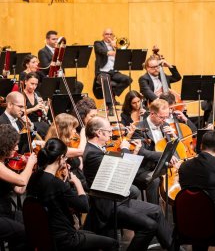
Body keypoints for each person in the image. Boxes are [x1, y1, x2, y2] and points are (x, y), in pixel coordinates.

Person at [82, 116, 173, 250]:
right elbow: (121, 171)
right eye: (109, 131)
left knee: (157, 210)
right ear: (99, 133)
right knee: (149, 225)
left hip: (119, 200)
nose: (111, 133)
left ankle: (173, 247)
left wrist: (135, 152)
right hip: (109, 206)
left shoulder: (97, 149)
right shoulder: (92, 154)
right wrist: (124, 149)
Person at [26, 138, 118, 250]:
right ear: (60, 158)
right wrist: (78, 183)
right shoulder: (56, 183)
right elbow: (84, 207)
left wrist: (63, 181)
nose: (65, 161)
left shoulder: (35, 177)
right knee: (112, 243)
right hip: (65, 237)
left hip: (45, 235)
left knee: (92, 234)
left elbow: (53, 196)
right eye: (65, 158)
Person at [134, 99, 180, 204]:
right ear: (152, 114)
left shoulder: (165, 124)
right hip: (145, 168)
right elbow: (142, 152)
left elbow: (173, 148)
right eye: (161, 117)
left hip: (162, 166)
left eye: (166, 117)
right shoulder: (139, 128)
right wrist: (164, 156)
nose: (164, 120)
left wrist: (174, 137)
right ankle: (153, 212)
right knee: (155, 181)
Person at [0, 124, 37, 250]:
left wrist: (30, 171)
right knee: (24, 232)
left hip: (6, 212)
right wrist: (30, 164)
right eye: (14, 145)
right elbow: (21, 181)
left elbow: (19, 190)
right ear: (5, 146)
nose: (17, 148)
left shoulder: (4, 163)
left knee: (33, 223)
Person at [94, 28, 132, 106]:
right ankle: (110, 104)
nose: (109, 36)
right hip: (102, 71)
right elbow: (101, 51)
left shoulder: (115, 45)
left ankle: (112, 95)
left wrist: (116, 47)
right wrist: (109, 51)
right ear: (103, 35)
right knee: (105, 79)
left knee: (127, 79)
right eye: (107, 34)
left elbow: (123, 55)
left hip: (114, 72)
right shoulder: (98, 43)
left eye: (111, 34)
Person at [22, 72, 50, 138]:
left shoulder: (37, 94)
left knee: (48, 127)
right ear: (25, 82)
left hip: (38, 122)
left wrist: (46, 107)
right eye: (32, 84)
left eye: (36, 84)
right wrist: (34, 108)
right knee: (44, 128)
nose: (34, 87)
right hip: (26, 123)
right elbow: (20, 112)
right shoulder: (20, 94)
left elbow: (44, 112)